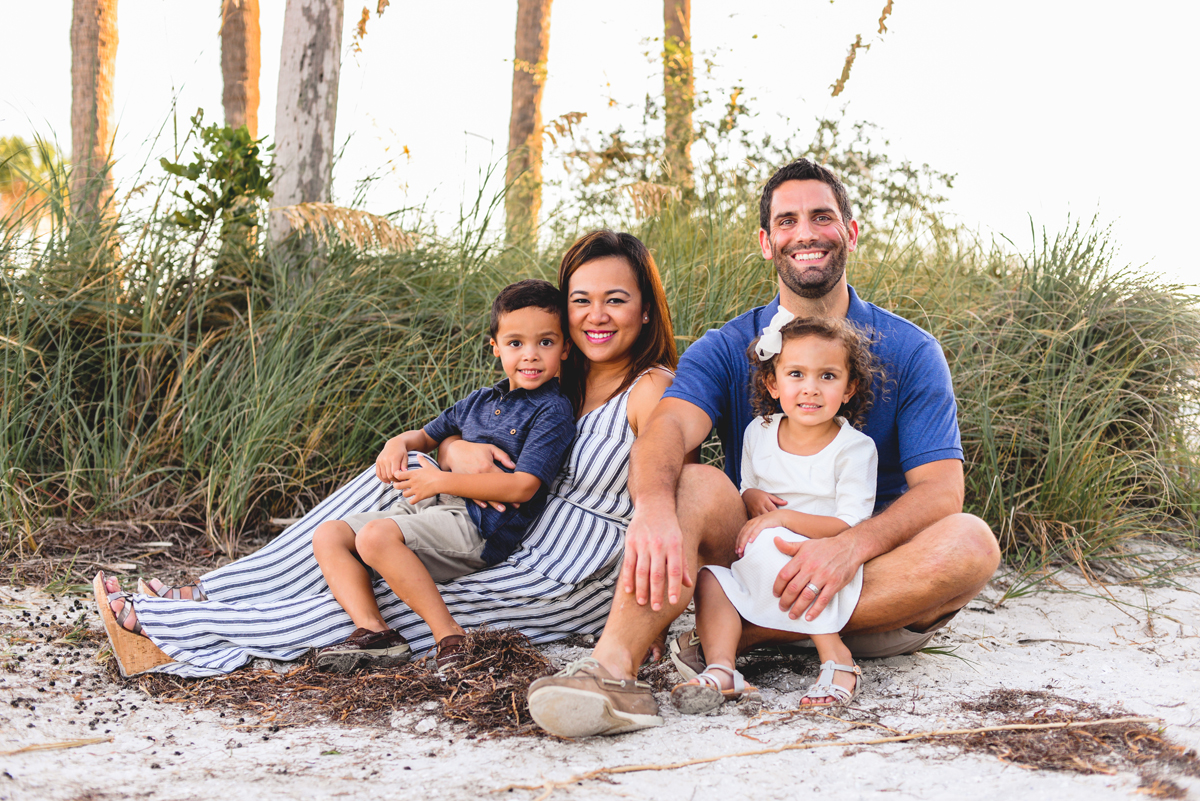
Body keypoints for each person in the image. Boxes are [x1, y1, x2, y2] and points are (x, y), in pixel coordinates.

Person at [526, 158, 1001, 738]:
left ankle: (738, 635)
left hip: (872, 582)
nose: (805, 233)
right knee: (695, 483)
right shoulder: (726, 346)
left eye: (822, 217)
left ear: (848, 233)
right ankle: (610, 672)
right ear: (766, 241)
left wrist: (850, 547)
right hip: (757, 556)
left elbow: (941, 490)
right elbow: (668, 430)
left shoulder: (911, 348)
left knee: (971, 542)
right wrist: (650, 508)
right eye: (787, 220)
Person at [92, 230, 680, 680]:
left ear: (646, 309)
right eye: (581, 300)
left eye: (616, 300)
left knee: (398, 598)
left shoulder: (650, 388)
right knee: (390, 482)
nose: (595, 316)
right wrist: (451, 448)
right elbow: (476, 429)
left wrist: (655, 611)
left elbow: (677, 487)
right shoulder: (557, 375)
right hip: (502, 525)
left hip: (565, 566)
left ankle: (186, 629)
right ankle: (224, 589)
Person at [310, 279, 575, 673]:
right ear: (496, 347)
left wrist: (440, 481)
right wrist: (396, 443)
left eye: (546, 343)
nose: (530, 356)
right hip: (431, 511)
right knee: (328, 533)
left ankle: (449, 635)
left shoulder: (552, 411)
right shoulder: (480, 400)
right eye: (516, 343)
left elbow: (524, 486)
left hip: (479, 528)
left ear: (565, 347)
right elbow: (426, 436)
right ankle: (375, 631)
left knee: (374, 536)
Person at [671, 315, 880, 715]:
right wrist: (750, 496)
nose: (810, 389)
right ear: (773, 383)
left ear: (850, 387)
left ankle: (836, 657)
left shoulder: (855, 449)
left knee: (777, 545)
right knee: (711, 579)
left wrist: (782, 520)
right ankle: (723, 668)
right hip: (756, 556)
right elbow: (748, 487)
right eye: (796, 374)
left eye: (828, 376)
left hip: (822, 556)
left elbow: (849, 525)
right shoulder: (759, 432)